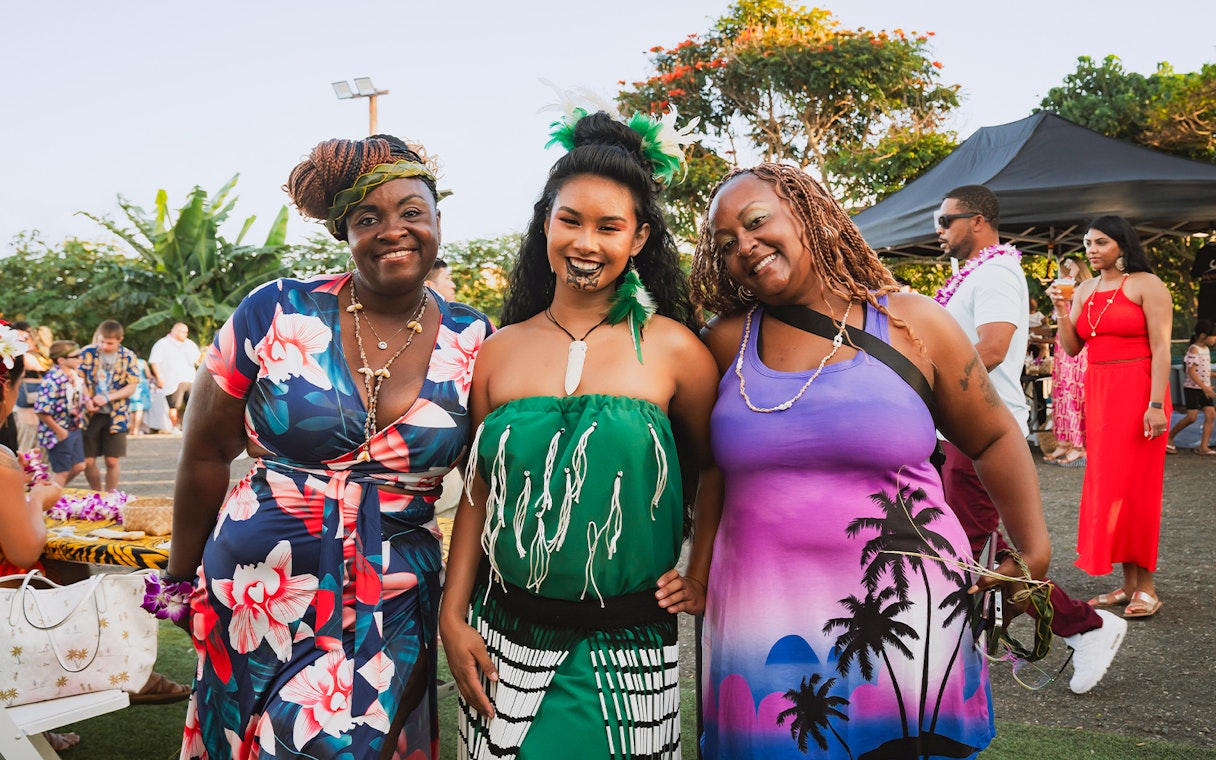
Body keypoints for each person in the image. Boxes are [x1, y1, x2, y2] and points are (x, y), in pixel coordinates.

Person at [689, 166, 1050, 758]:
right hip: (763, 627)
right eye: (726, 244)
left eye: (756, 222)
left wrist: (1031, 550)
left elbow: (992, 438)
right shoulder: (723, 341)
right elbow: (704, 469)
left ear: (809, 216)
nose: (744, 247)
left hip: (909, 616)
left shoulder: (912, 323)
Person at [165, 133, 491, 759]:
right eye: (369, 218)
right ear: (345, 233)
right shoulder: (276, 310)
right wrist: (181, 580)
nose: (393, 230)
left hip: (392, 586)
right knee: (248, 735)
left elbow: (488, 483)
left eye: (412, 212)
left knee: (342, 745)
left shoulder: (477, 338)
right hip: (258, 581)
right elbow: (205, 452)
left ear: (438, 221)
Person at [440, 109, 717, 760]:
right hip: (502, 638)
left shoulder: (677, 350)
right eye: (570, 220)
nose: (585, 241)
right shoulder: (498, 351)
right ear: (545, 224)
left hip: (628, 645)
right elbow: (479, 493)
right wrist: (453, 617)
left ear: (640, 237)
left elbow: (714, 467)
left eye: (609, 226)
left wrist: (697, 569)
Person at [933, 186, 1125, 696]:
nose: (938, 229)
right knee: (971, 552)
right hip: (963, 428)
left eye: (946, 220)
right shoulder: (969, 274)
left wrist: (924, 382)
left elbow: (992, 349)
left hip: (983, 430)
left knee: (967, 556)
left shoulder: (995, 273)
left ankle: (1084, 625)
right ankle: (1065, 626)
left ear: (977, 222)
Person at [1051, 215, 1173, 620]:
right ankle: (1128, 585)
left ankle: (1148, 588)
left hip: (1140, 391)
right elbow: (1071, 347)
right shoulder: (1085, 288)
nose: (1092, 249)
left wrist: (1156, 405)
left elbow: (1162, 349)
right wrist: (1061, 309)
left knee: (1137, 489)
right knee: (1110, 489)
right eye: (1088, 242)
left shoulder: (1147, 285)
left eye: (1101, 242)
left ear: (1122, 245)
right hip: (1101, 393)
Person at [78, 320, 139, 492]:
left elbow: (132, 386)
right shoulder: (87, 352)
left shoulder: (129, 356)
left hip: (116, 414)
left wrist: (107, 397)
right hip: (90, 414)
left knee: (112, 460)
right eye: (101, 341)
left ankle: (111, 496)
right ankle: (97, 494)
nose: (104, 346)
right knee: (88, 461)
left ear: (120, 339)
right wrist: (87, 399)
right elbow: (79, 379)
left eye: (109, 343)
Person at [1046, 255, 1092, 466]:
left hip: (1078, 349)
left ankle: (1080, 445)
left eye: (1070, 268)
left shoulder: (1085, 291)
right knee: (1061, 393)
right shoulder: (1063, 292)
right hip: (1062, 348)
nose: (1065, 272)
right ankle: (1064, 441)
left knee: (1075, 394)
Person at [33, 340, 87, 486]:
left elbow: (79, 394)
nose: (80, 359)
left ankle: (54, 490)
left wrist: (88, 402)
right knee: (61, 471)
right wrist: (59, 430)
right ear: (61, 360)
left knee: (79, 465)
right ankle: (51, 498)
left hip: (74, 427)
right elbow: (40, 410)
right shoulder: (52, 380)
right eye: (76, 356)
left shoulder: (74, 376)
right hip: (58, 431)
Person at [1166, 319, 1216, 454]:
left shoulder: (1205, 349)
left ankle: (1204, 447)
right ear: (1203, 335)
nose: (1214, 339)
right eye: (1213, 335)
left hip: (1204, 387)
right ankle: (1169, 437)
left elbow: (1202, 370)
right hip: (1193, 389)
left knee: (1211, 414)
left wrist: (1212, 375)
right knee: (1191, 417)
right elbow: (1191, 371)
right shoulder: (1194, 349)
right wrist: (1204, 387)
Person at [147, 322, 201, 431]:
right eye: (183, 332)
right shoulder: (162, 344)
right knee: (174, 406)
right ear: (175, 331)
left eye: (186, 332)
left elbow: (198, 361)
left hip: (190, 379)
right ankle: (174, 426)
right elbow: (155, 361)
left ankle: (193, 428)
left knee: (194, 405)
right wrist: (159, 376)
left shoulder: (190, 344)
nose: (186, 334)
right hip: (172, 380)